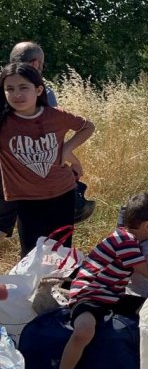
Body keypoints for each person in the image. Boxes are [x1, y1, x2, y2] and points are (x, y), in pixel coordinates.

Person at [56, 193, 148, 369]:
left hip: (112, 295)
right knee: (84, 331)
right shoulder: (125, 242)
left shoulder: (130, 238)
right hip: (90, 294)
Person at [0, 63, 94, 257]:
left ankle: (59, 279)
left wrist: (67, 150)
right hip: (26, 199)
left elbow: (87, 127)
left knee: (61, 251)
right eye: (10, 89)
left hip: (62, 193)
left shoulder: (56, 115)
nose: (17, 94)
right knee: (31, 255)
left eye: (23, 87)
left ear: (38, 90)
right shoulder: (3, 124)